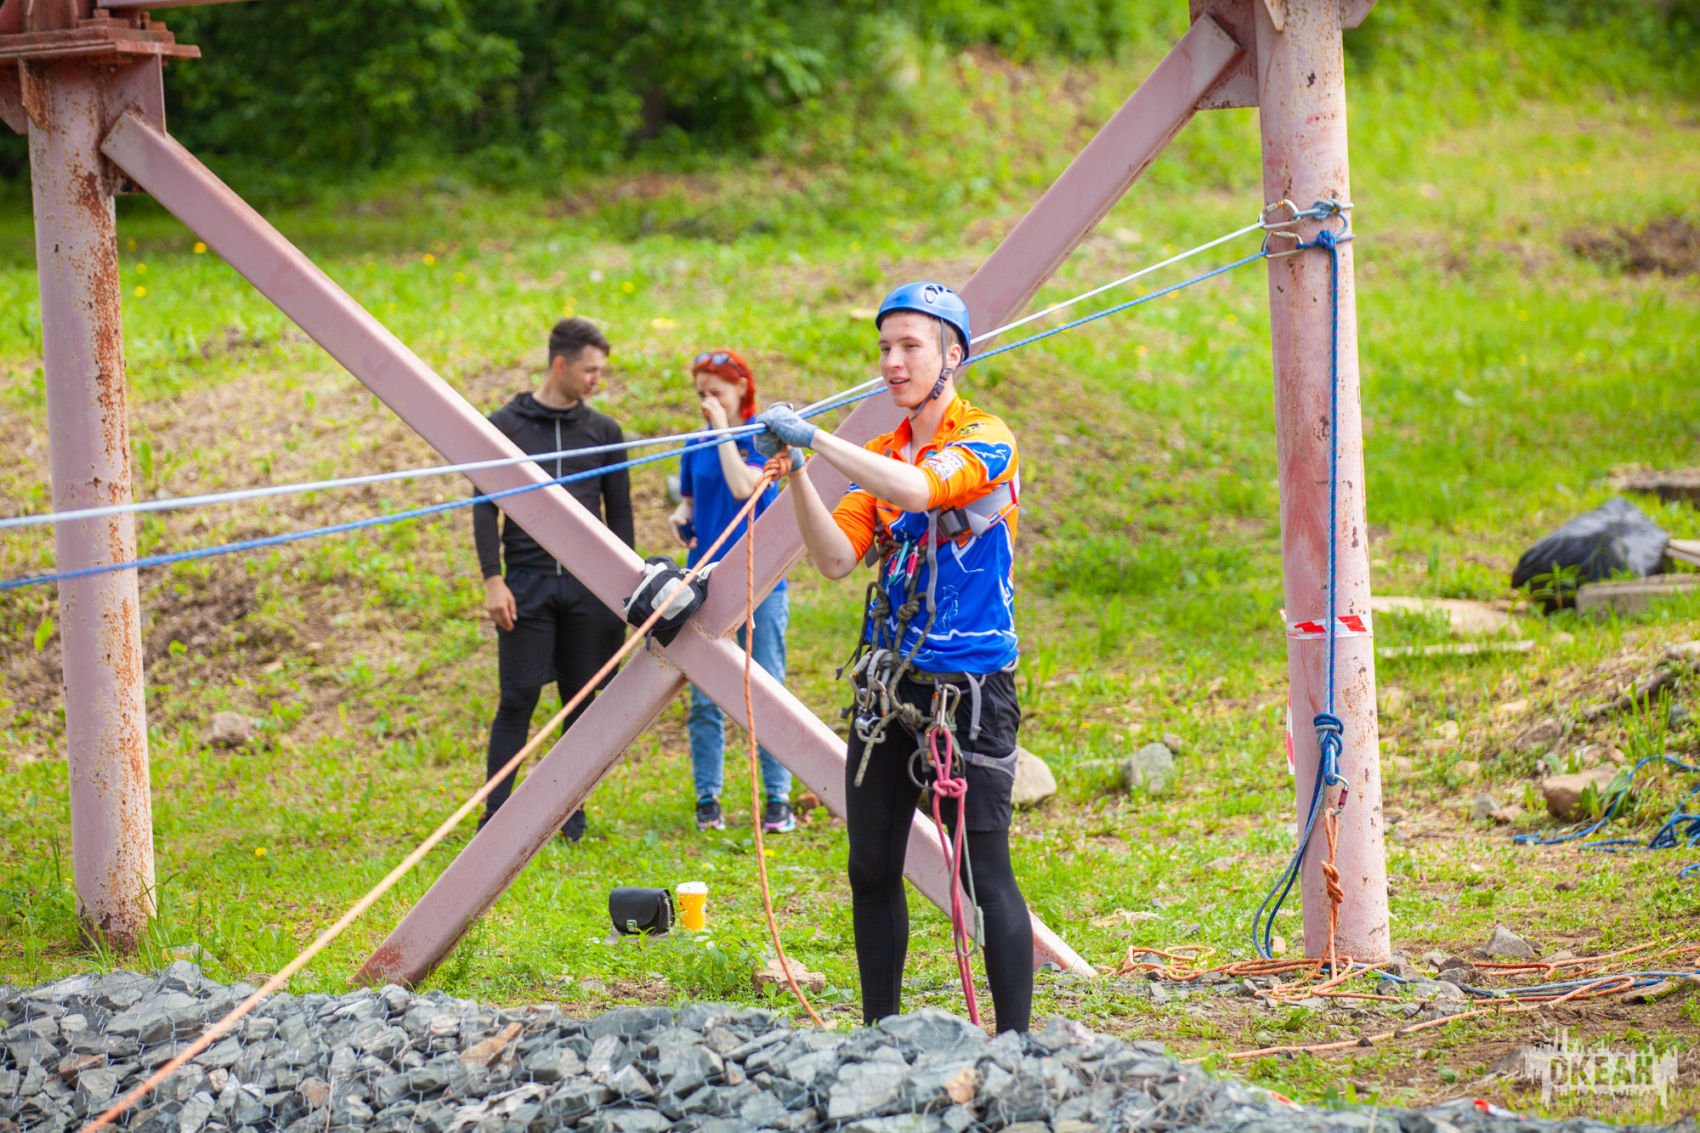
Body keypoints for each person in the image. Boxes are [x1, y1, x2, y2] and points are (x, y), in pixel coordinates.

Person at [755, 281, 1032, 1033]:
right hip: (891, 687)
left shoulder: (985, 438)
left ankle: (1017, 1044)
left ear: (953, 355)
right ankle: (879, 1031)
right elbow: (835, 558)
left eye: (911, 345)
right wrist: (801, 472)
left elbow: (919, 491)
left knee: (983, 872)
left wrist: (817, 439)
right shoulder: (879, 456)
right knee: (870, 865)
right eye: (885, 347)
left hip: (970, 687)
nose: (892, 362)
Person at [473, 317, 633, 842]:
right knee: (517, 697)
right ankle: (496, 816)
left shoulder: (604, 431)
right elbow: (483, 506)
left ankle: (570, 814)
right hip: (526, 586)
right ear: (559, 364)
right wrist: (492, 579)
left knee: (580, 702)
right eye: (590, 370)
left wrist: (624, 590)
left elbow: (620, 515)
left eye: (601, 371)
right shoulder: (504, 426)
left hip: (589, 589)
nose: (597, 380)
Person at [668, 349, 795, 835]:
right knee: (705, 695)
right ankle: (709, 797)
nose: (707, 401)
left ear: (742, 388)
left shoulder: (764, 439)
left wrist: (722, 428)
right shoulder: (696, 443)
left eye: (716, 392)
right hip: (705, 581)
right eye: (701, 393)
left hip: (760, 581)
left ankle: (778, 797)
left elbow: (745, 487)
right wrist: (680, 518)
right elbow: (689, 502)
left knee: (766, 687)